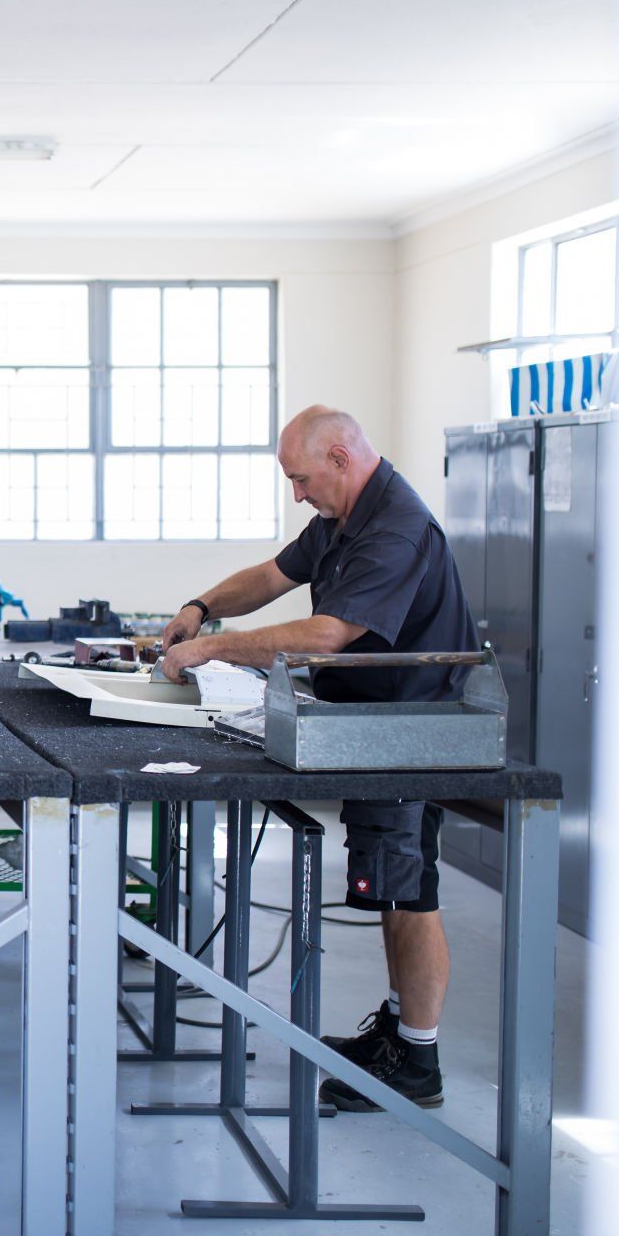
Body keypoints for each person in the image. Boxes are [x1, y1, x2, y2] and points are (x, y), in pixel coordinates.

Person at [157, 405, 477, 1110]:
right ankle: (398, 1031)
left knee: (409, 892)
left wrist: (209, 649)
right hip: (373, 728)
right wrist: (201, 606)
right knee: (391, 886)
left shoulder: (395, 529)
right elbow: (273, 575)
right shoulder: (344, 516)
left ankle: (418, 1062)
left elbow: (328, 635)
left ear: (340, 458)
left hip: (410, 732)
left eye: (301, 480)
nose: (298, 494)